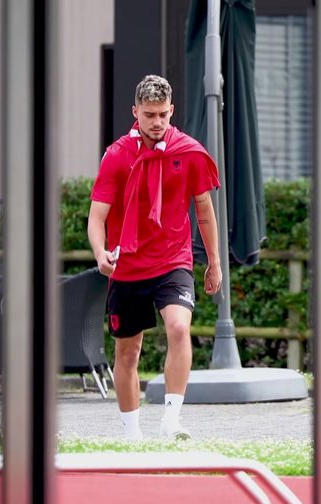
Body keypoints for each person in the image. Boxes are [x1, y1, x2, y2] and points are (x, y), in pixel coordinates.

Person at [88, 75, 223, 440]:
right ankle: (131, 434)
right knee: (128, 352)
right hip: (128, 264)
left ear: (172, 110)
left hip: (172, 260)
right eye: (149, 114)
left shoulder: (188, 152)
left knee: (179, 328)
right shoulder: (117, 155)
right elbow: (97, 216)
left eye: (163, 114)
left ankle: (171, 421)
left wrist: (214, 262)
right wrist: (100, 253)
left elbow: (204, 211)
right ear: (135, 112)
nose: (157, 122)